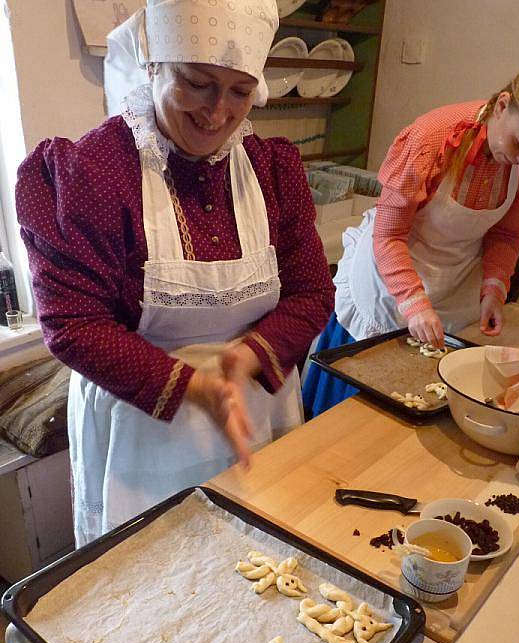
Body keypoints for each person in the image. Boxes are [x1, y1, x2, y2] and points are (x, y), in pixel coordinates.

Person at [16, 0, 334, 546]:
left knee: (263, 558)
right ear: (153, 65)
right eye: (196, 82)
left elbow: (311, 293)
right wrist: (193, 386)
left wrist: (246, 356)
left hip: (254, 401)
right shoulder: (90, 172)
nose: (217, 113)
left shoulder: (273, 168)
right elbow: (73, 323)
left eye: (239, 90)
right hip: (141, 420)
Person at [303, 59, 519, 418]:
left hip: (455, 282)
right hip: (388, 279)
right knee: (354, 411)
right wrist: (413, 301)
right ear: (504, 105)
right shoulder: (434, 137)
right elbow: (388, 234)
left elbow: (506, 233)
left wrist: (494, 287)